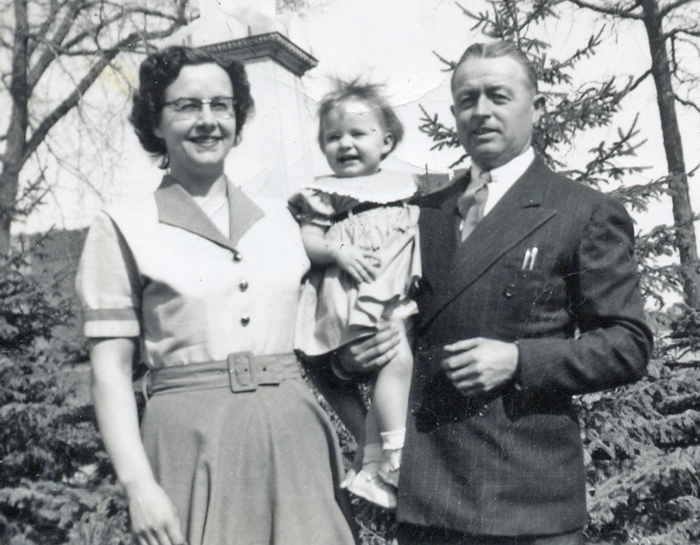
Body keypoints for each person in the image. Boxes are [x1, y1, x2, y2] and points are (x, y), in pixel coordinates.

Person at [337, 41, 653, 544]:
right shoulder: (420, 212)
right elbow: (368, 321)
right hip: (431, 502)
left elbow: (628, 344)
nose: (480, 110)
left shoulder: (581, 211)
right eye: (467, 99)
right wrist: (356, 354)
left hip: (527, 502)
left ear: (537, 106)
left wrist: (519, 360)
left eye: (498, 96)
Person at [76, 46, 357, 545]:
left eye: (221, 106)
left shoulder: (284, 219)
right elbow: (110, 371)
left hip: (294, 440)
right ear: (156, 124)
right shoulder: (122, 225)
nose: (208, 121)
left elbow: (320, 339)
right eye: (187, 106)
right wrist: (139, 485)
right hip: (188, 444)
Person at [288, 80, 419, 509]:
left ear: (387, 141)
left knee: (395, 365)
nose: (344, 144)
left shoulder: (403, 189)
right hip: (353, 294)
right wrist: (339, 249)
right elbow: (309, 239)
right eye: (333, 136)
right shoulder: (327, 193)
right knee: (395, 359)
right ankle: (395, 456)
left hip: (391, 290)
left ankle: (372, 466)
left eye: (357, 134)